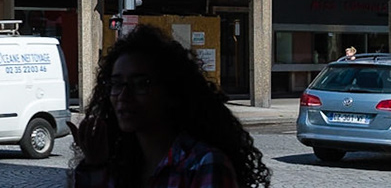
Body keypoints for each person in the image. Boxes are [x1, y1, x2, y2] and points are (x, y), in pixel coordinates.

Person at [72, 26, 270, 188]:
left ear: (171, 92)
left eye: (141, 84)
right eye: (116, 84)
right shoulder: (118, 164)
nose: (123, 96)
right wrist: (95, 166)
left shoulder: (204, 165)